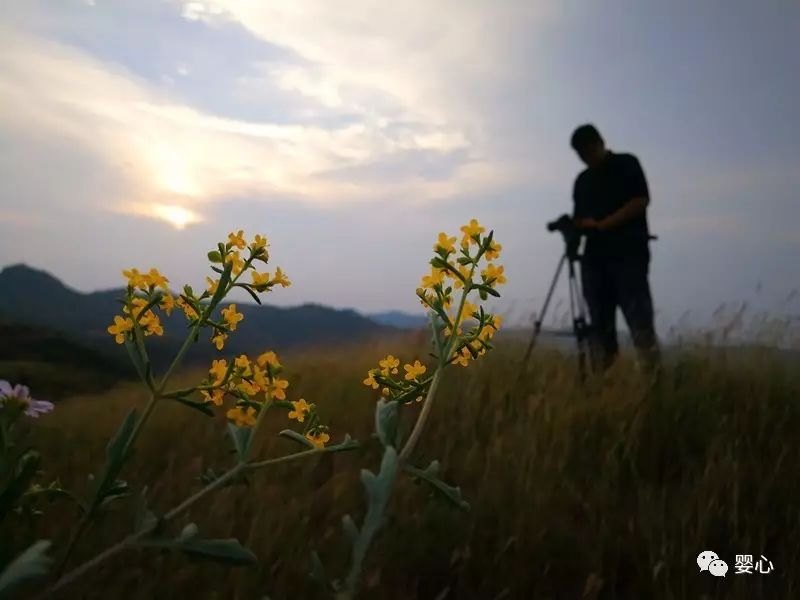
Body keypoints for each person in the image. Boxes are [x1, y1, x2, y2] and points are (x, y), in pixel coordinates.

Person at [570, 124, 660, 373]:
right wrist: (575, 230)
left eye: (588, 151)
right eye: (581, 155)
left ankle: (652, 382)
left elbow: (641, 201)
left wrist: (602, 225)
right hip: (594, 262)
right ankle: (604, 383)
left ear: (600, 143)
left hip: (628, 256)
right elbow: (579, 219)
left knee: (640, 324)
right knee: (599, 329)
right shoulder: (583, 181)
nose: (586, 158)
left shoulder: (626, 164)